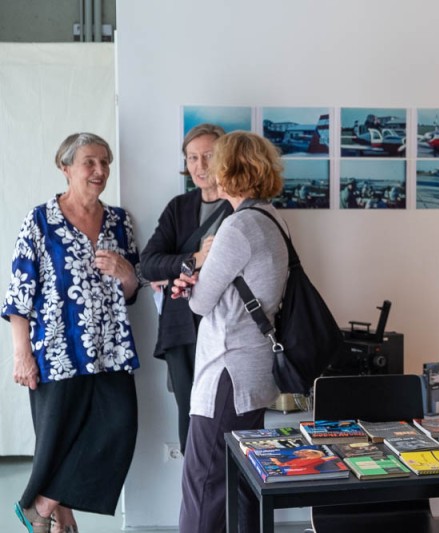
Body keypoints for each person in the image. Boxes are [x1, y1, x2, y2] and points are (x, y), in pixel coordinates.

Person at [3, 133, 141, 533]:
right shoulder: (41, 220)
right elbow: (19, 293)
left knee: (119, 428)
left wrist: (126, 272)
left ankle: (41, 506)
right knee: (59, 441)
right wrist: (21, 353)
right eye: (90, 162)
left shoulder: (119, 220)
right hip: (58, 351)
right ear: (65, 168)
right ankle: (57, 518)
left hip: (112, 348)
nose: (100, 171)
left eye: (105, 162)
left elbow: (132, 291)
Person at [170, 131, 288, 533]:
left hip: (226, 372)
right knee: (239, 485)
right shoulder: (272, 219)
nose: (206, 169)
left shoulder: (237, 228)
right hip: (252, 370)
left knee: (203, 482)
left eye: (214, 161)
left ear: (229, 170)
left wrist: (192, 283)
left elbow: (202, 303)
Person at [140, 123, 232, 454]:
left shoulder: (240, 206)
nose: (200, 166)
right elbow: (148, 264)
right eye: (192, 157)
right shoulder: (179, 208)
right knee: (189, 417)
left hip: (226, 331)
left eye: (208, 156)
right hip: (180, 331)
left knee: (224, 417)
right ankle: (195, 500)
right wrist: (194, 259)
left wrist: (175, 267)